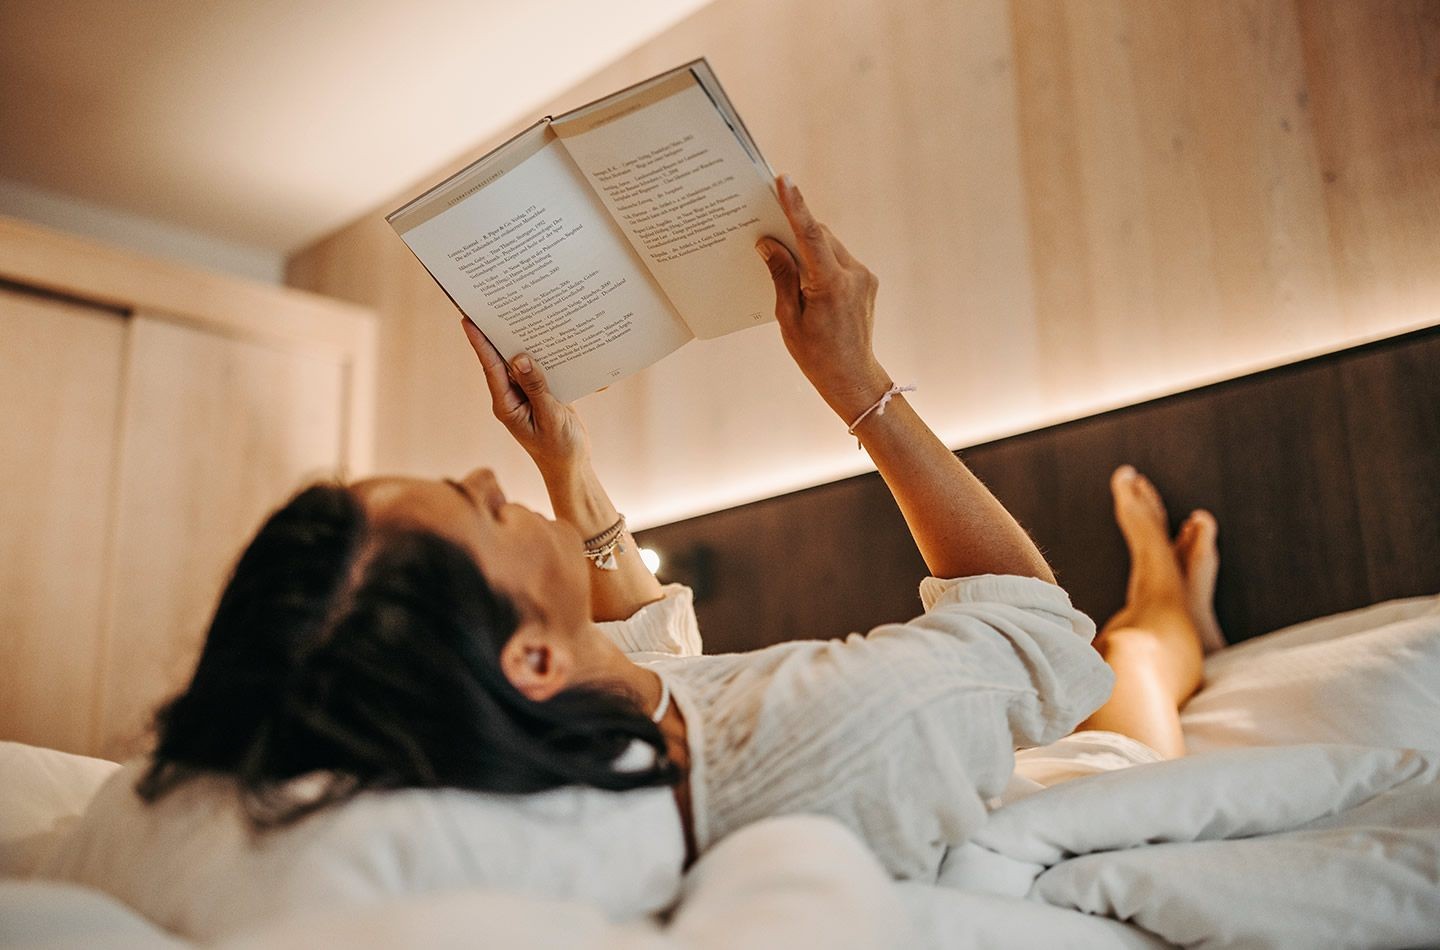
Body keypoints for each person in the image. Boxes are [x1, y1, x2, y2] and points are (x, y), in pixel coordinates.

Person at [135, 176, 1221, 882]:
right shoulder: (824, 730)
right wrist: (858, 382)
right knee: (1130, 653)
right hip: (1077, 742)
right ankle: (1175, 615)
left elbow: (641, 668)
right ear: (529, 655)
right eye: (479, 503)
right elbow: (1038, 634)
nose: (481, 469)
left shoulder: (552, 727)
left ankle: (1176, 610)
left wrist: (566, 469)